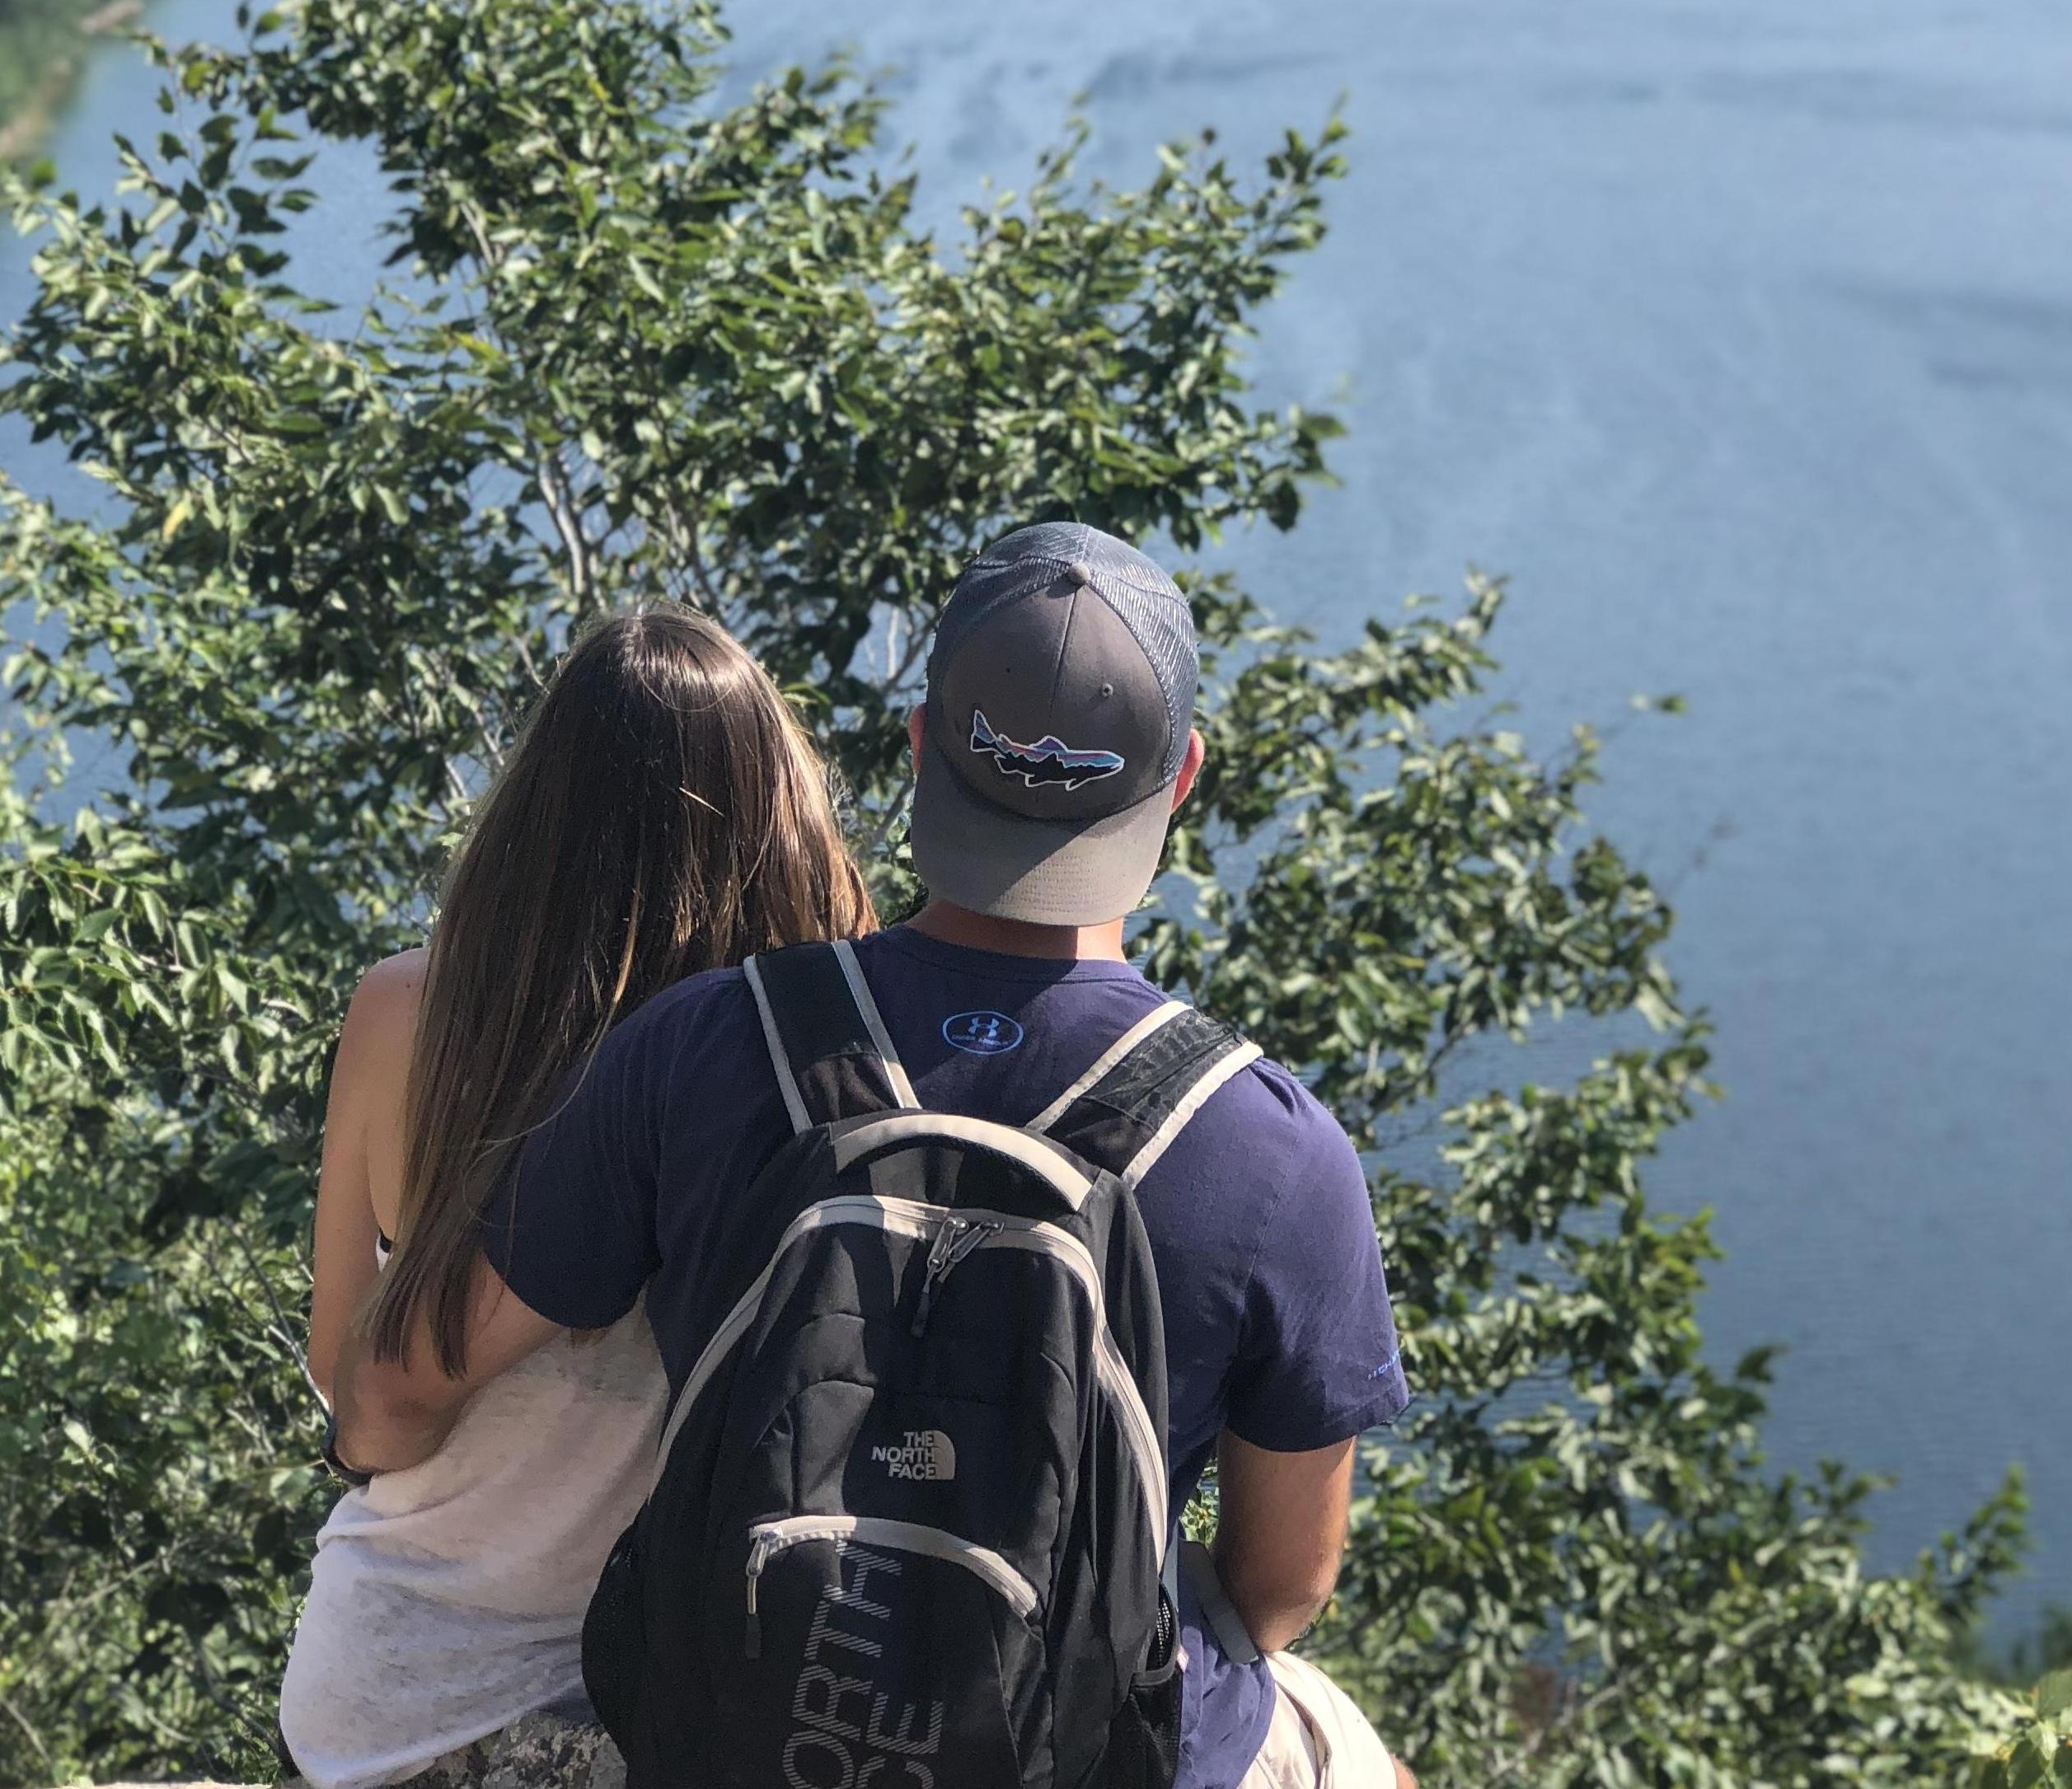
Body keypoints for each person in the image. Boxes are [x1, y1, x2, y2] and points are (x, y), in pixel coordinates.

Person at [335, 523, 1417, 1789]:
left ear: (918, 744)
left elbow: (411, 1377)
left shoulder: (706, 1041)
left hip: (737, 1728)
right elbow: (1285, 1583)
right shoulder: (1273, 1149)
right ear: (1180, 777)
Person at [288, 606, 876, 1789]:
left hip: (380, 1686)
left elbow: (340, 1376)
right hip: (667, 1703)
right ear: (775, 809)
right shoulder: (808, 1064)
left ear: (541, 811)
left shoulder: (405, 1011)